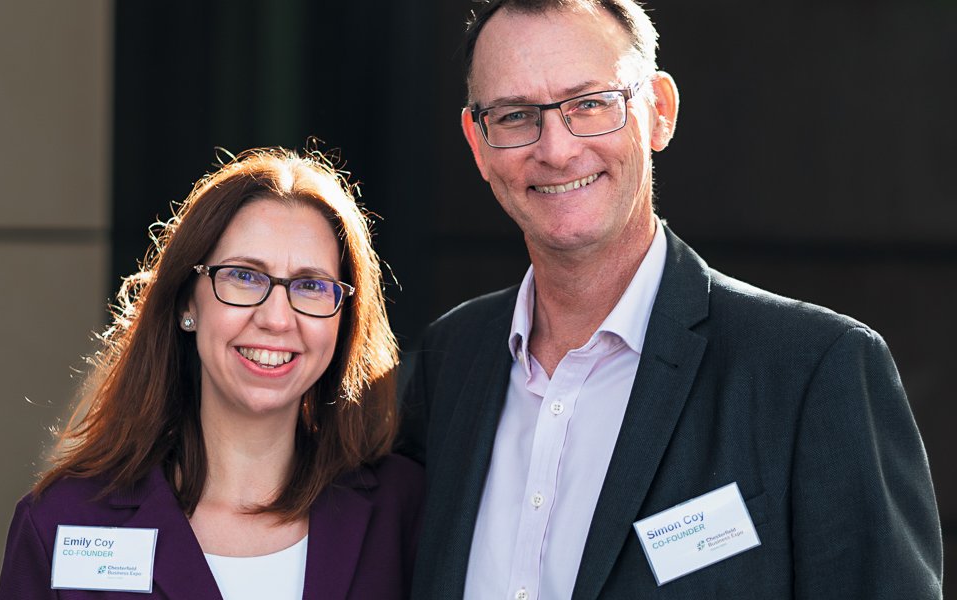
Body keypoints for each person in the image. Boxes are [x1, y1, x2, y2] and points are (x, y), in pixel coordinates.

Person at [399, 1, 943, 598]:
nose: (555, 149)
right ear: (478, 143)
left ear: (658, 112)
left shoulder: (815, 370)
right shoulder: (451, 359)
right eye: (514, 115)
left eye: (590, 103)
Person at [0, 147, 423, 599]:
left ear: (344, 319)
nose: (277, 319)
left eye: (312, 286)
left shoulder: (406, 511)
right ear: (187, 303)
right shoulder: (63, 523)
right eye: (244, 276)